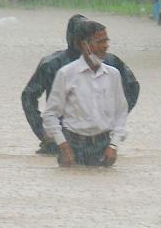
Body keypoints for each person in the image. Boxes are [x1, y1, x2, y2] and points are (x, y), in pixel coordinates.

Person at [22, 14, 140, 155]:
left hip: (98, 143)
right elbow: (29, 96)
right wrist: (44, 131)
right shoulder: (52, 65)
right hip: (62, 140)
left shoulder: (110, 63)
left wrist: (111, 123)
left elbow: (132, 88)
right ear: (80, 41)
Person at [42, 21, 129, 167]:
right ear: (84, 45)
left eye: (106, 40)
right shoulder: (66, 74)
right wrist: (63, 146)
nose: (105, 46)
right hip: (73, 145)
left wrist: (113, 146)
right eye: (99, 41)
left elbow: (121, 113)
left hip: (103, 147)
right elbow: (50, 114)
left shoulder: (114, 74)